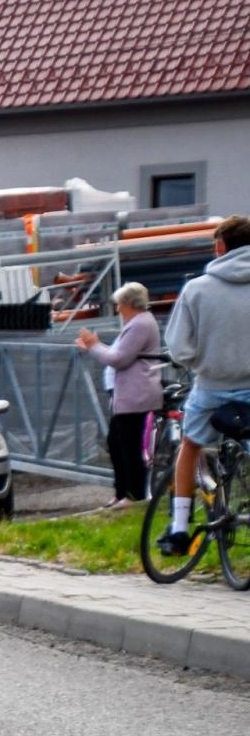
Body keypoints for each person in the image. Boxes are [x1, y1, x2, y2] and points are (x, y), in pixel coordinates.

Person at [158, 216, 250, 554]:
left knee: (190, 445)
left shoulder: (197, 289)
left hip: (211, 385)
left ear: (220, 247)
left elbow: (180, 347)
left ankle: (180, 528)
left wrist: (200, 364)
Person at [76, 283, 163, 508]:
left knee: (129, 446)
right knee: (116, 443)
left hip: (136, 397)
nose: (118, 310)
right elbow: (118, 354)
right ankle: (122, 492)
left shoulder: (140, 324)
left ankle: (133, 494)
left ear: (129, 304)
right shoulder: (138, 323)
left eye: (120, 305)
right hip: (129, 397)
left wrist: (94, 346)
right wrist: (95, 346)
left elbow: (119, 359)